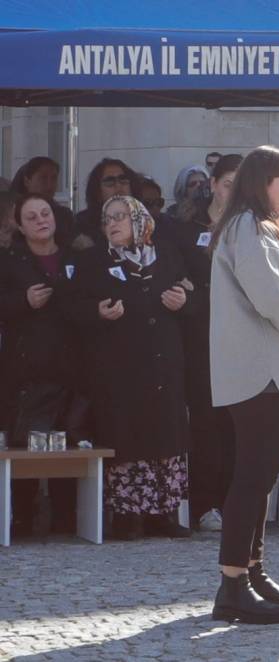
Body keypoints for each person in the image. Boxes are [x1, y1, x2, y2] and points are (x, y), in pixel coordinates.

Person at [208, 146, 279, 625]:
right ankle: (233, 584)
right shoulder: (247, 227)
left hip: (269, 370)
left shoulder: (256, 227)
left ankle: (252, 573)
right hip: (261, 372)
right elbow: (272, 298)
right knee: (253, 479)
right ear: (263, 183)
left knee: (262, 479)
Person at [66, 195, 196, 540]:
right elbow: (72, 307)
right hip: (119, 366)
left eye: (121, 216)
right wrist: (98, 312)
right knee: (126, 434)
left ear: (140, 220)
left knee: (165, 433)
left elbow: (190, 294)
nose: (113, 223)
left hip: (163, 362)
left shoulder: (166, 253)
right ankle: (127, 515)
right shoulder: (93, 260)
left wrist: (184, 302)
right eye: (107, 218)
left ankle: (163, 513)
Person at [0, 194, 81, 535]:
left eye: (45, 213)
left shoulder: (76, 257)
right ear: (19, 224)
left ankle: (66, 518)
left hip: (71, 364)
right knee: (24, 441)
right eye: (31, 217)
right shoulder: (8, 261)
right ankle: (22, 517)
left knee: (71, 437)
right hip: (26, 365)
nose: (40, 221)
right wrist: (23, 301)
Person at [174, 154, 242, 533]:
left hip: (241, 337)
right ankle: (205, 503)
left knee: (237, 421)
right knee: (206, 421)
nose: (233, 191)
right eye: (228, 183)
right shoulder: (187, 228)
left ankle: (235, 499)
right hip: (200, 336)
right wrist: (202, 295)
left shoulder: (250, 227)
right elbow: (182, 283)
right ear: (214, 184)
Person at [74, 158, 141, 247]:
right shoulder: (82, 226)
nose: (118, 186)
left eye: (123, 180)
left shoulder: (144, 223)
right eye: (110, 182)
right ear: (97, 192)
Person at [10, 157, 76, 245]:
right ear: (27, 181)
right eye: (43, 178)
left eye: (54, 178)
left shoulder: (64, 215)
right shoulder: (12, 212)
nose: (49, 185)